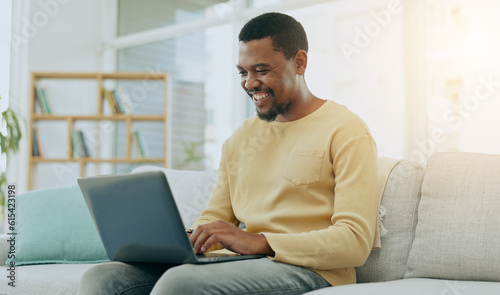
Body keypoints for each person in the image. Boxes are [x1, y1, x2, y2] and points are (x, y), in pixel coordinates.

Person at [78, 12, 378, 295]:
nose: (249, 83)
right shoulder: (241, 139)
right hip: (244, 263)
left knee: (180, 284)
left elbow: (355, 240)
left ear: (299, 62)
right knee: (105, 277)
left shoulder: (346, 130)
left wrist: (259, 242)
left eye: (262, 71)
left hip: (310, 269)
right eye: (243, 72)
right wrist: (188, 238)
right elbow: (216, 216)